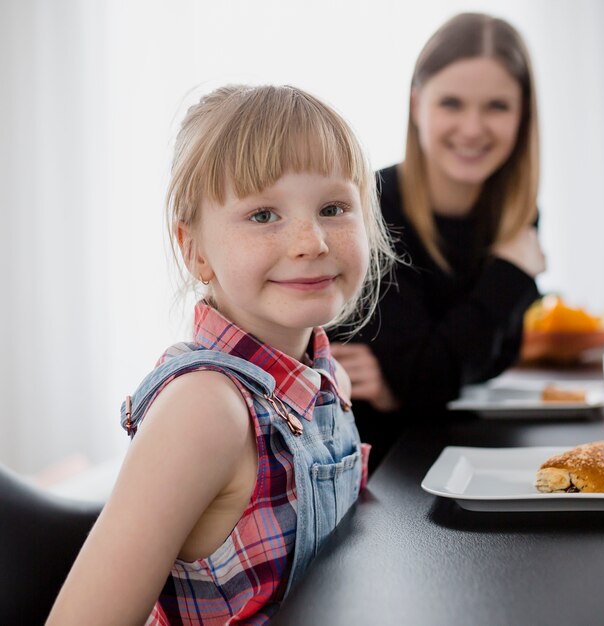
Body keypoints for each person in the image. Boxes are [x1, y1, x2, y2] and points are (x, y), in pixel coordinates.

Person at [46, 84, 395, 625]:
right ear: (196, 251)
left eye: (333, 208)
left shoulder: (330, 385)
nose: (311, 241)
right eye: (263, 216)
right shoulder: (206, 410)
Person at [330, 12, 546, 470]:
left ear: (523, 114)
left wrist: (409, 387)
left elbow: (489, 360)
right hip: (373, 468)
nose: (472, 128)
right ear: (416, 105)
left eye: (497, 106)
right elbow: (429, 373)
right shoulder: (373, 207)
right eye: (451, 103)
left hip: (448, 452)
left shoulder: (513, 216)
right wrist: (508, 277)